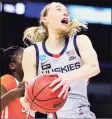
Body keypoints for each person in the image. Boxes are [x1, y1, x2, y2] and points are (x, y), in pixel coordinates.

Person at [21, 2, 100, 118]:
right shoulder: (32, 52)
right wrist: (29, 101)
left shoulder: (79, 41)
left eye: (67, 12)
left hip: (81, 113)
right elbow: (26, 92)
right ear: (44, 19)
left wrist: (67, 77)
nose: (65, 13)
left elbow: (94, 67)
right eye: (59, 10)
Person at [0, 46, 35, 118]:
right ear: (13, 66)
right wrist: (12, 95)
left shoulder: (29, 85)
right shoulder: (7, 79)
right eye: (26, 59)